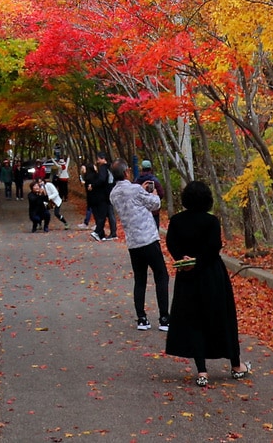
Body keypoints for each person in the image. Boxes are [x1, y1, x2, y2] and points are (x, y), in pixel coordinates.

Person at [165, 180, 249, 387]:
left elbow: (171, 243)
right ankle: (236, 366)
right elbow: (214, 247)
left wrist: (184, 260)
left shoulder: (176, 221)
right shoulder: (211, 222)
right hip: (212, 275)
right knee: (223, 317)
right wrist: (200, 263)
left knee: (193, 319)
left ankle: (202, 371)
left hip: (187, 276)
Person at [108, 159, 170, 331]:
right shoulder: (135, 189)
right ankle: (164, 318)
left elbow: (132, 202)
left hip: (133, 243)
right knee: (161, 276)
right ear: (127, 172)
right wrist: (153, 193)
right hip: (148, 238)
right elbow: (155, 204)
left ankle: (142, 318)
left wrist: (141, 192)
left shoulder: (113, 194)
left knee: (140, 279)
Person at [87, 154, 115, 241]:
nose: (97, 161)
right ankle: (111, 233)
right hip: (111, 191)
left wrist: (94, 185)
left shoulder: (103, 168)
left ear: (103, 159)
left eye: (98, 159)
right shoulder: (111, 167)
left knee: (103, 214)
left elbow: (102, 179)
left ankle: (98, 231)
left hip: (105, 194)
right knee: (110, 214)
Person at [135, 159, 166, 226]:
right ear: (150, 168)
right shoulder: (155, 181)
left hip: (141, 211)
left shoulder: (137, 181)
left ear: (142, 169)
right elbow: (161, 193)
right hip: (154, 211)